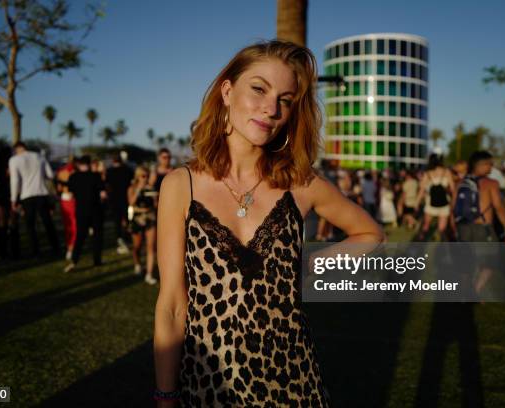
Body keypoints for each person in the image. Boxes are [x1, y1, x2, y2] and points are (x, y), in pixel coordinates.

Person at [153, 40, 384, 407]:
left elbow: (370, 233)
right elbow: (171, 305)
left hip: (293, 383)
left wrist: (308, 267)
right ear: (227, 91)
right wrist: (165, 394)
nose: (272, 108)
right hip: (208, 386)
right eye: (259, 88)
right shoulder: (182, 185)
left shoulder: (302, 184)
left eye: (286, 99)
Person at [453, 150, 505, 293]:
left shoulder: (460, 183)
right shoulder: (491, 183)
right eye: (489, 164)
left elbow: (453, 207)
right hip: (483, 228)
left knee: (466, 262)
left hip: (463, 227)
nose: (491, 168)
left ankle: (465, 292)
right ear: (480, 165)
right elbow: (499, 208)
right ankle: (476, 289)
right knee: (491, 262)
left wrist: (454, 227)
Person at [9, 142, 60, 256]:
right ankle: (56, 247)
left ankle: (35, 250)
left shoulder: (14, 160)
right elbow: (50, 175)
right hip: (41, 193)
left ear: (17, 149)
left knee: (30, 225)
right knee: (47, 222)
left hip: (26, 195)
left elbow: (15, 181)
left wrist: (13, 199)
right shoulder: (39, 156)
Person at [64, 155, 107, 272]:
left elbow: (71, 194)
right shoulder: (96, 176)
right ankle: (97, 260)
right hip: (95, 210)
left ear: (79, 164)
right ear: (89, 164)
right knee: (97, 236)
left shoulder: (73, 177)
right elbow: (103, 194)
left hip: (81, 210)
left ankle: (74, 260)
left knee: (80, 236)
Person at [127, 165, 158, 284]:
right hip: (137, 219)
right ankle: (138, 263)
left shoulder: (151, 188)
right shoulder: (132, 188)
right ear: (138, 176)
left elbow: (156, 206)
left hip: (150, 218)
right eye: (143, 176)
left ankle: (149, 274)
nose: (145, 178)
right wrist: (139, 190)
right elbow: (130, 203)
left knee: (150, 247)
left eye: (147, 176)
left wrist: (155, 197)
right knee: (137, 246)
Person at [415, 154, 455, 241]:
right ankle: (441, 245)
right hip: (444, 204)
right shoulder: (446, 172)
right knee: (442, 229)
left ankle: (419, 242)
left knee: (426, 226)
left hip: (430, 204)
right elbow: (452, 188)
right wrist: (454, 201)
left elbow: (421, 190)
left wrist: (417, 203)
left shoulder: (428, 174)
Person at [106, 154, 134, 255]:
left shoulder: (109, 171)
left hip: (114, 200)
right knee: (126, 220)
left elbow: (107, 185)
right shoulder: (127, 170)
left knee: (117, 221)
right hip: (125, 199)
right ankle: (125, 238)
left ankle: (119, 239)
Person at [0, 147, 20, 259]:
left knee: (3, 224)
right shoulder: (9, 165)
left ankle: (4, 251)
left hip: (4, 196)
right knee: (11, 224)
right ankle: (12, 250)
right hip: (9, 196)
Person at [56, 158, 77, 261]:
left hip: (65, 198)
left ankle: (69, 246)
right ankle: (72, 246)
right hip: (73, 199)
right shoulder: (75, 172)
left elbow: (59, 189)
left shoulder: (61, 172)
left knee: (67, 224)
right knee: (74, 224)